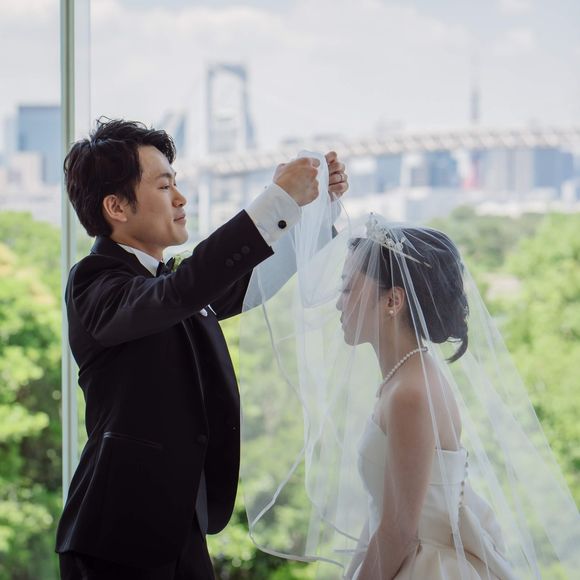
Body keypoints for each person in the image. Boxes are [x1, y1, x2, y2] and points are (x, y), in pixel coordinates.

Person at [55, 118, 349, 579]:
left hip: (179, 529)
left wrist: (312, 213)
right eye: (164, 185)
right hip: (116, 538)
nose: (181, 198)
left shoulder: (168, 284)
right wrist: (276, 199)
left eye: (177, 183)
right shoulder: (94, 281)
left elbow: (246, 284)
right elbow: (184, 291)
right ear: (116, 206)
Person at [239, 211, 580, 579]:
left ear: (393, 301)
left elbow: (399, 532)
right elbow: (384, 516)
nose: (338, 303)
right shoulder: (402, 379)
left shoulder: (410, 394)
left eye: (348, 288)